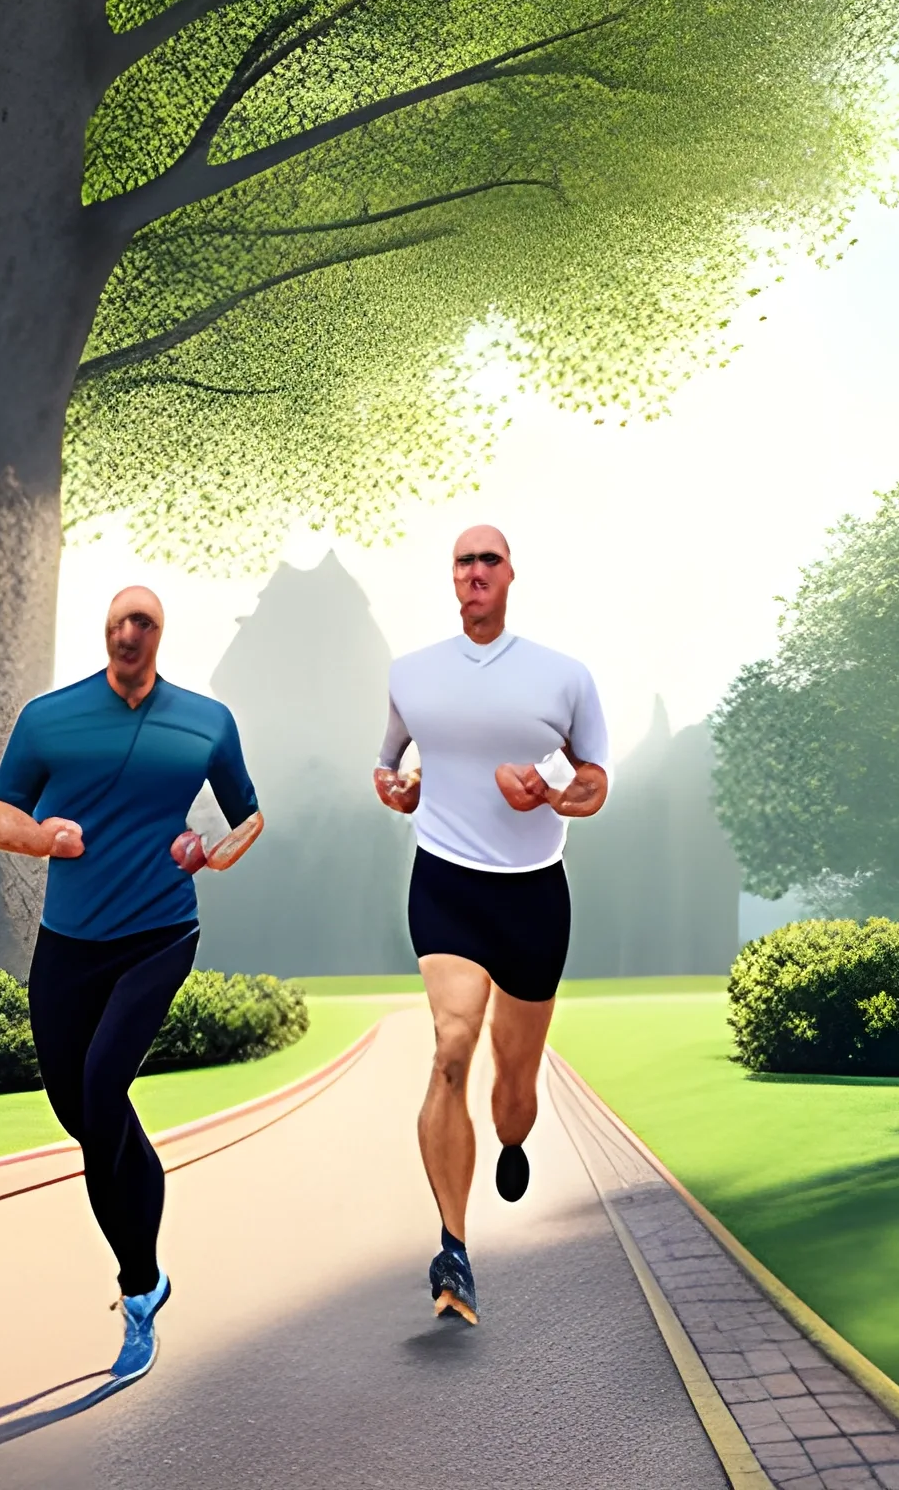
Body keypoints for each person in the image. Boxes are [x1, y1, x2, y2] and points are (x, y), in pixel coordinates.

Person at [0, 585, 263, 1387]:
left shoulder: (206, 721)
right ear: (104, 636)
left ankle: (137, 1290)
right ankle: (148, 1253)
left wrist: (212, 852)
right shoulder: (49, 718)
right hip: (69, 944)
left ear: (159, 635)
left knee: (104, 1092)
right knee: (81, 1115)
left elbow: (249, 816)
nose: (128, 633)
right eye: (116, 623)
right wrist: (44, 837)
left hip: (161, 932)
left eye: (142, 622)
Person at [373, 524, 609, 1326]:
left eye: (489, 561)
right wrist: (395, 789)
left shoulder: (563, 677)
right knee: (450, 1049)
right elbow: (388, 762)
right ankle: (453, 1250)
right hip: (445, 884)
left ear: (511, 576)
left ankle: (511, 1139)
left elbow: (595, 784)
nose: (475, 573)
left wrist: (552, 796)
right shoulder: (412, 675)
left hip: (534, 894)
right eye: (463, 562)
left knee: (513, 1091)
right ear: (452, 579)